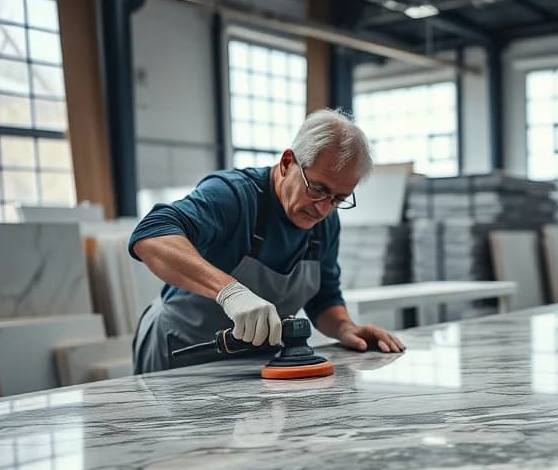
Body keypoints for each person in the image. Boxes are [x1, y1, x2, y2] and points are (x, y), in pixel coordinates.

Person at [129, 109, 405, 374]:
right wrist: (230, 293)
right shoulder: (234, 196)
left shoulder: (325, 223)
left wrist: (345, 328)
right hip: (182, 350)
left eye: (338, 198)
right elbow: (151, 234)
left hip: (253, 363)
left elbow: (324, 297)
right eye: (318, 189)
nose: (323, 208)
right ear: (287, 163)